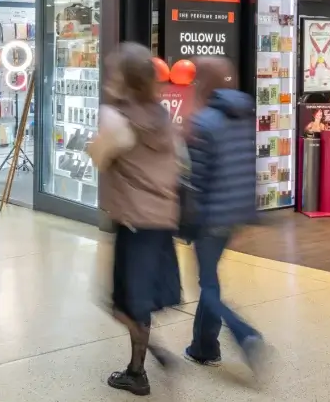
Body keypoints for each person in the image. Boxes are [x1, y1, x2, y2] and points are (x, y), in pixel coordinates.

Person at [89, 42, 181, 397]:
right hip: (161, 217)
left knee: (121, 301)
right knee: (139, 298)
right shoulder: (160, 115)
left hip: (133, 220)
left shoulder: (116, 117)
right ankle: (145, 351)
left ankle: (137, 369)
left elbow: (100, 156)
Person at [183, 56, 266, 372]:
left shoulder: (204, 123)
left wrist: (191, 222)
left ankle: (245, 335)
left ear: (202, 82)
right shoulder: (243, 114)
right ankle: (204, 347)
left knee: (208, 286)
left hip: (210, 215)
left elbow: (198, 180)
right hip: (235, 211)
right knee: (210, 279)